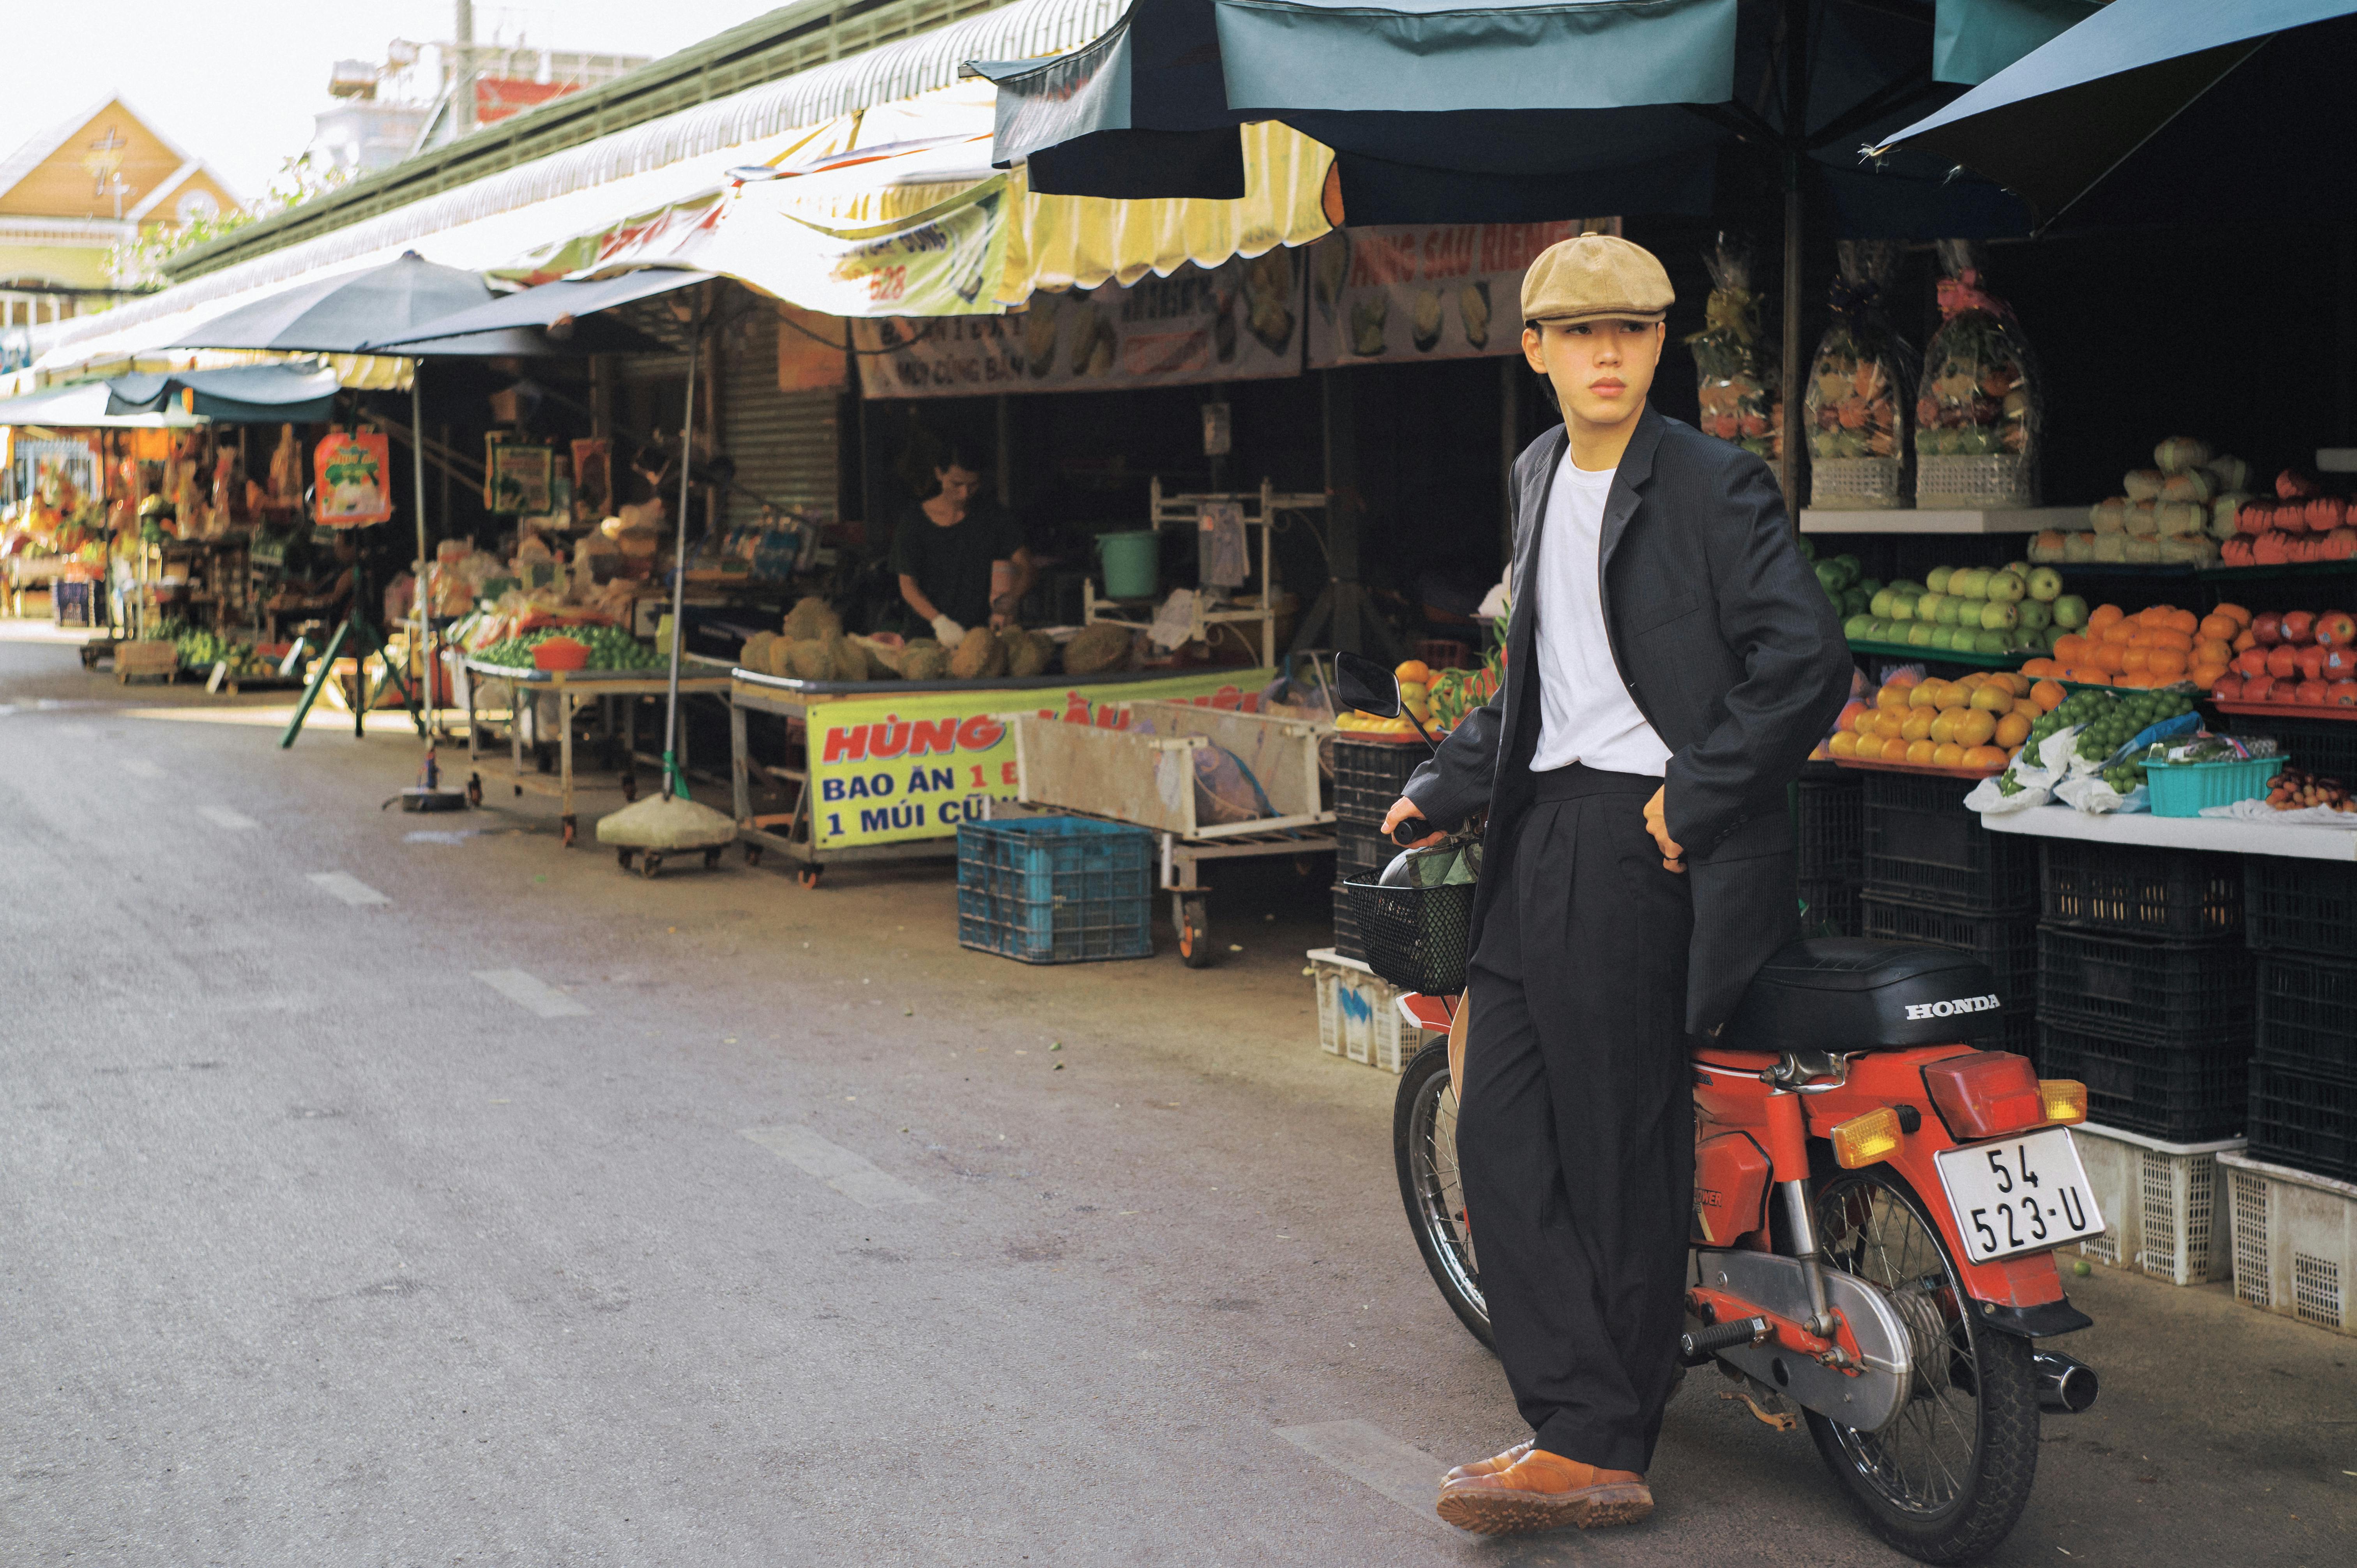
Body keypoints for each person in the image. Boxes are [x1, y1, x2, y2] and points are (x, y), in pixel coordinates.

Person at [1379, 233, 1852, 1536]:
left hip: (1644, 839)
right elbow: (1543, 675)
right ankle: (1575, 1413)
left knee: (1614, 1146)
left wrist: (1692, 796)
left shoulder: (1713, 481)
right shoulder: (1538, 470)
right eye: (1581, 332)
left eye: (1632, 331)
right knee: (1495, 1127)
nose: (1608, 353)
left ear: (1658, 346)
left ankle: (1595, 1439)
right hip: (1538, 830)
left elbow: (1806, 660)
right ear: (1535, 349)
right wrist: (1448, 779)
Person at [891, 447, 1032, 643]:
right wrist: (940, 622)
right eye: (957, 484)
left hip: (979, 638)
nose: (965, 494)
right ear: (939, 474)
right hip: (924, 639)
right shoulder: (913, 522)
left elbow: (1026, 567)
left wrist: (1010, 600)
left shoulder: (992, 516)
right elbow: (908, 586)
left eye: (973, 485)